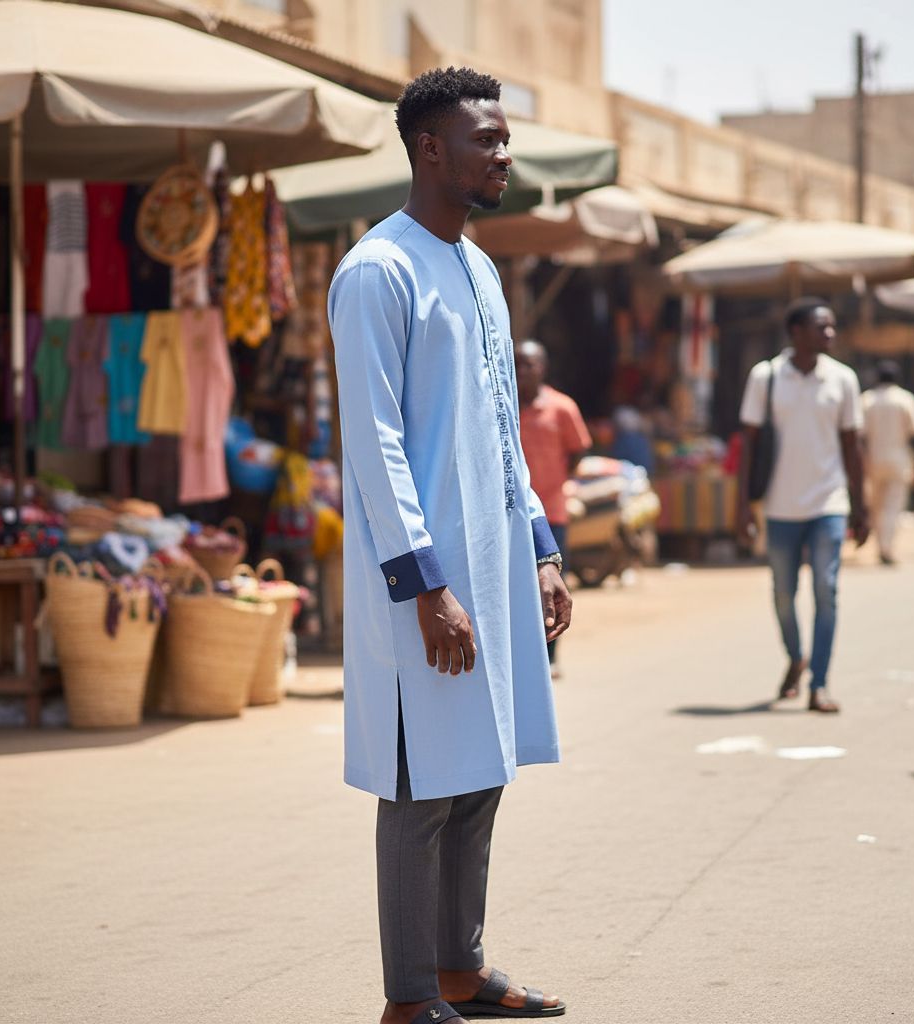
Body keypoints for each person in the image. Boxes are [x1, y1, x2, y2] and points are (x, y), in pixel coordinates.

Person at [328, 67, 572, 1024]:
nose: (504, 155)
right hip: (420, 579)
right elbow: (375, 439)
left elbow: (504, 421)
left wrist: (543, 548)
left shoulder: (479, 269)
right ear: (431, 148)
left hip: (495, 559)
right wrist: (423, 585)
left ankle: (463, 969)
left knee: (481, 772)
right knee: (419, 785)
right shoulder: (375, 271)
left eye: (505, 140)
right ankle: (410, 997)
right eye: (489, 140)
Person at [736, 297, 869, 714]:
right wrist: (742, 507)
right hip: (779, 506)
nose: (830, 334)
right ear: (796, 332)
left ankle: (820, 684)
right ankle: (796, 656)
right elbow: (749, 446)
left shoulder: (843, 379)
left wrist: (861, 505)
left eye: (832, 327)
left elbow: (852, 446)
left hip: (829, 502)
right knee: (782, 594)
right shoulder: (767, 376)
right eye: (821, 327)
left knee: (826, 592)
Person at [516, 339, 591, 671]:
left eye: (528, 364)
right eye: (516, 364)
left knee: (551, 584)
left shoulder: (562, 408)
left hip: (552, 514)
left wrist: (560, 481)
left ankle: (550, 656)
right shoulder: (499, 408)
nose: (521, 372)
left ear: (542, 368)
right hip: (511, 517)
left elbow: (578, 450)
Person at [861, 360, 914, 565]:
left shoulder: (867, 400)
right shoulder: (905, 399)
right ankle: (886, 548)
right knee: (892, 507)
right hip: (899, 460)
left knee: (877, 507)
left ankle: (882, 546)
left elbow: (859, 436)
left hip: (873, 460)